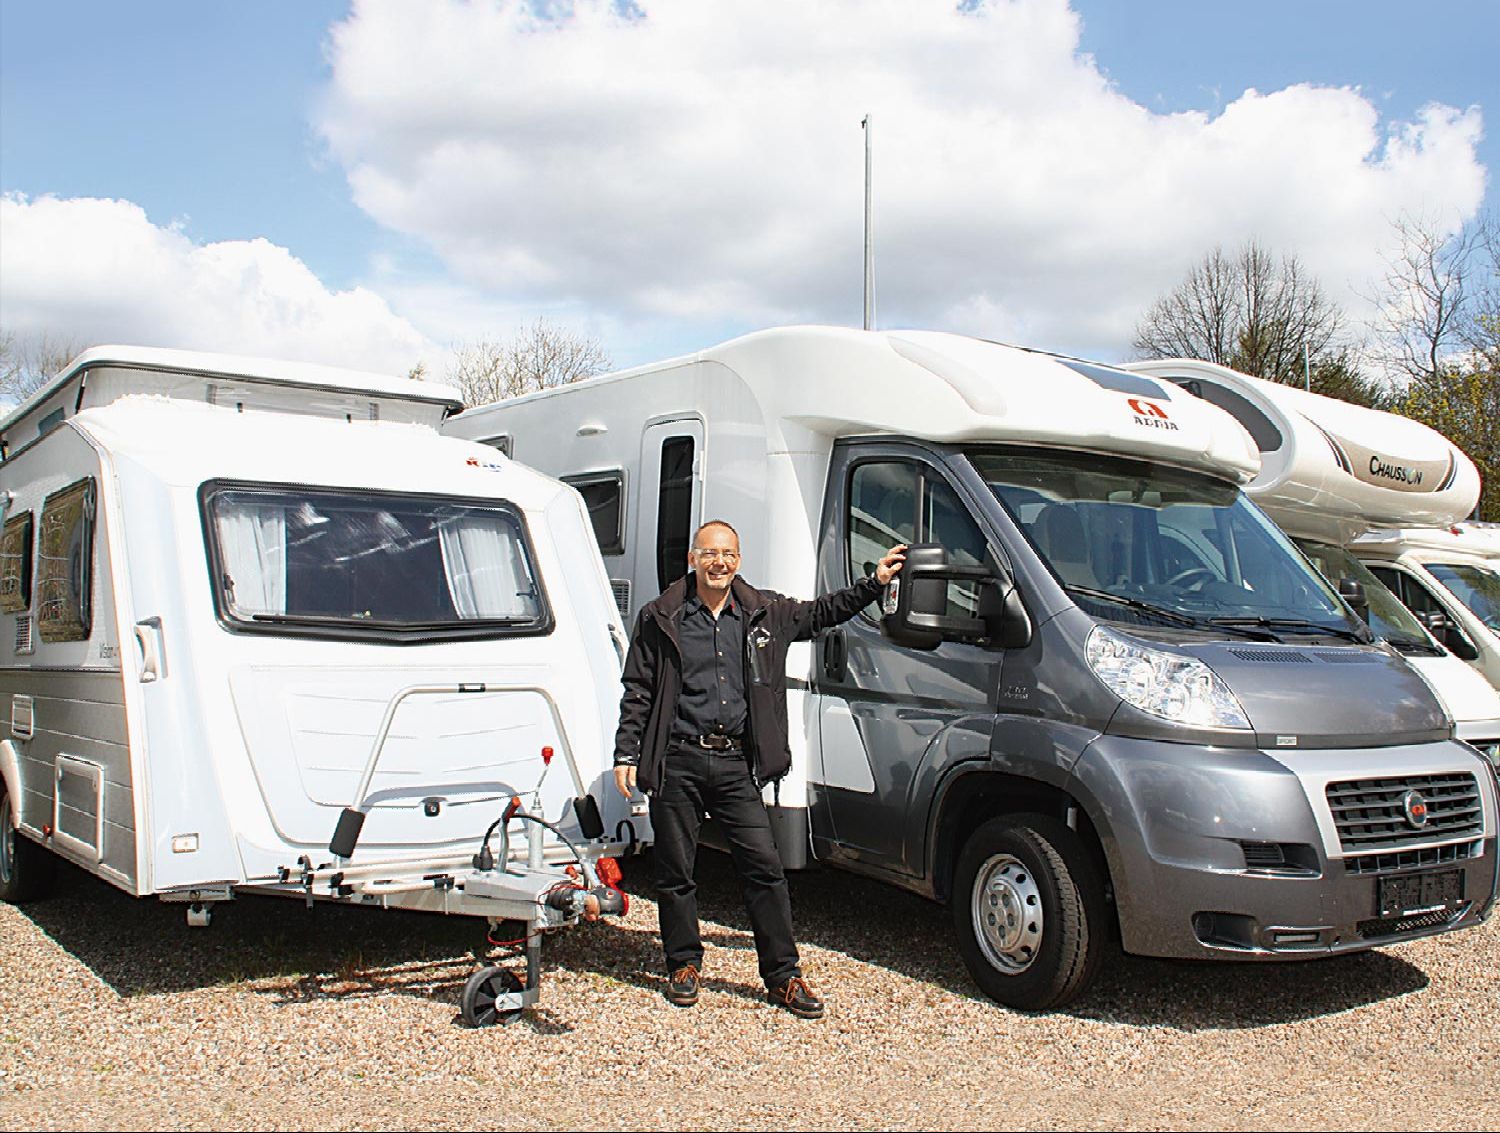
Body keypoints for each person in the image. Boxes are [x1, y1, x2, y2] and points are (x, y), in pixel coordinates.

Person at [612, 519, 906, 1018]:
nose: (719, 562)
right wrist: (627, 752)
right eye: (709, 553)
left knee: (765, 870)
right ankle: (682, 964)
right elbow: (638, 689)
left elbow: (822, 613)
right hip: (677, 758)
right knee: (676, 873)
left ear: (738, 560)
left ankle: (783, 977)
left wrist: (873, 584)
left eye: (728, 553)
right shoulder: (660, 616)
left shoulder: (765, 613)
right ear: (693, 558)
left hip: (733, 763)